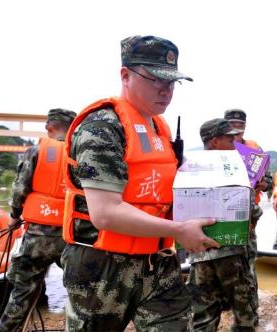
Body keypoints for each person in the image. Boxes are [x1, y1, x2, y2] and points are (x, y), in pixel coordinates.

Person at [60, 35, 219, 331]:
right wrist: (179, 230)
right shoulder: (102, 127)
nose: (166, 90)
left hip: (157, 261)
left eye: (172, 82)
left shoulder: (159, 127)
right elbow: (105, 213)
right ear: (125, 76)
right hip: (101, 267)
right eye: (156, 79)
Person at [0, 108, 76, 332]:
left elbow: (20, 187)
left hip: (37, 238)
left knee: (21, 293)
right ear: (72, 128)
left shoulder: (37, 151)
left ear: (49, 127)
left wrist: (13, 217)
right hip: (72, 236)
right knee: (78, 294)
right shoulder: (79, 153)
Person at [187, 118, 258, 331]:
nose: (235, 142)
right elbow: (250, 210)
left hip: (200, 253)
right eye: (230, 138)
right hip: (231, 253)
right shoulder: (233, 168)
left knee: (203, 314)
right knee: (245, 312)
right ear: (215, 141)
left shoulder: (188, 169)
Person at [224, 108, 271, 324]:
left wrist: (264, 183)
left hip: (249, 216)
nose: (235, 129)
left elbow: (268, 180)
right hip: (222, 214)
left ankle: (250, 313)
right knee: (223, 264)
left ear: (245, 126)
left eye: (239, 125)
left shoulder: (254, 149)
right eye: (231, 124)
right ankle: (227, 304)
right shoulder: (217, 146)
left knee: (248, 263)